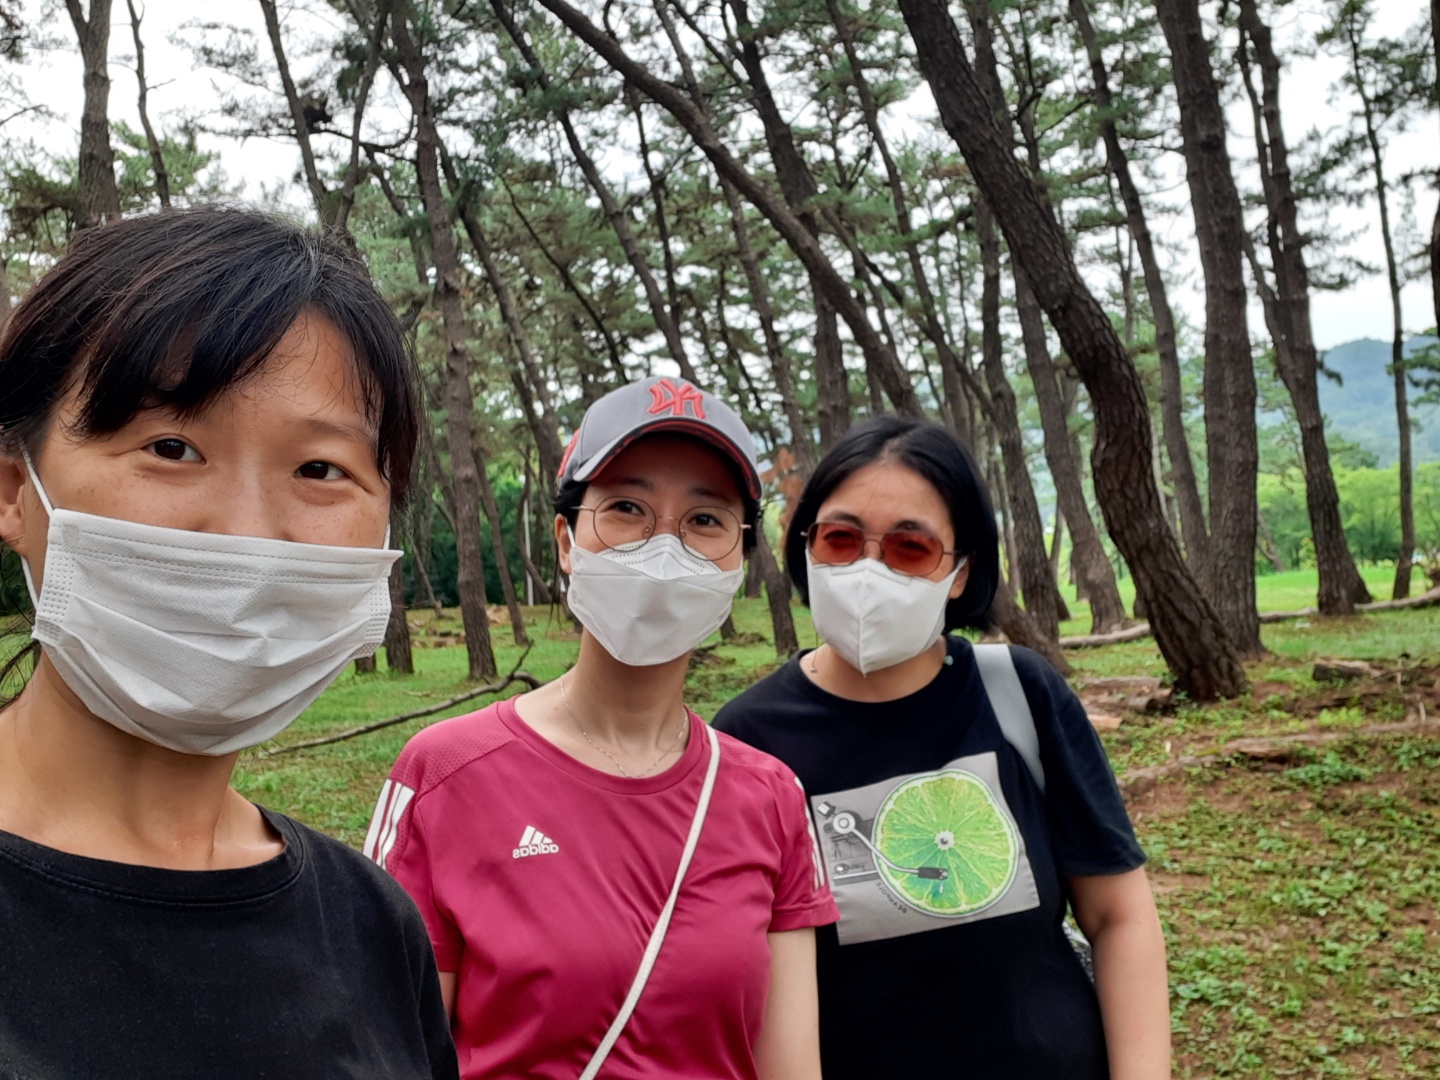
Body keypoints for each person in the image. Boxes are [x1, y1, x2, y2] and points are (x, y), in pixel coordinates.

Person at [0, 208, 458, 1079]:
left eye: (320, 470)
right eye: (172, 447)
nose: (247, 536)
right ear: (14, 490)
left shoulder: (373, 922)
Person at [368, 375, 838, 1080]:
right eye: (626, 508)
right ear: (567, 540)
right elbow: (389, 1051)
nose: (664, 549)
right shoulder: (444, 774)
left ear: (739, 560)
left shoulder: (771, 797)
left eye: (705, 520)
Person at [714, 415, 1171, 1080]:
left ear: (960, 571)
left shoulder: (1018, 692)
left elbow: (1118, 915)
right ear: (806, 547)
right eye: (841, 539)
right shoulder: (750, 739)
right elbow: (750, 982)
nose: (867, 569)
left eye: (911, 547)